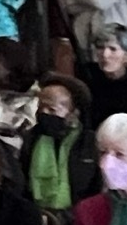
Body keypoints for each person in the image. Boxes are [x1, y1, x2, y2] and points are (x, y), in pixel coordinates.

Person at [20, 70, 98, 217]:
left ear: (73, 113)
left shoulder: (89, 143)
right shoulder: (31, 139)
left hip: (81, 218)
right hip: (39, 218)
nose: (44, 113)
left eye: (52, 109)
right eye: (40, 107)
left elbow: (96, 188)